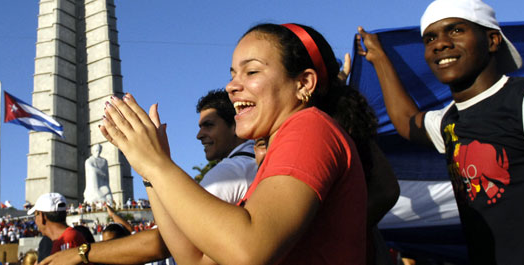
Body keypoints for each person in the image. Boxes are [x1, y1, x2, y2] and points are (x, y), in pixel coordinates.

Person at [98, 23, 371, 265]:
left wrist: (157, 165)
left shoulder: (310, 126)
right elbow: (194, 260)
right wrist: (150, 172)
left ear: (304, 83)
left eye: (251, 71)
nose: (231, 86)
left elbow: (247, 250)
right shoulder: (276, 156)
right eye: (232, 75)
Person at [356, 0, 524, 264]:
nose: (440, 44)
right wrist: (379, 59)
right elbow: (407, 121)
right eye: (429, 38)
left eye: (456, 30)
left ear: (492, 41)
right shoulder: (449, 121)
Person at [41, 89, 258, 265]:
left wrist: (81, 253)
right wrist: (151, 168)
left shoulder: (232, 171)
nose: (199, 134)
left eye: (209, 125)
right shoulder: (247, 163)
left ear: (234, 124)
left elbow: (162, 242)